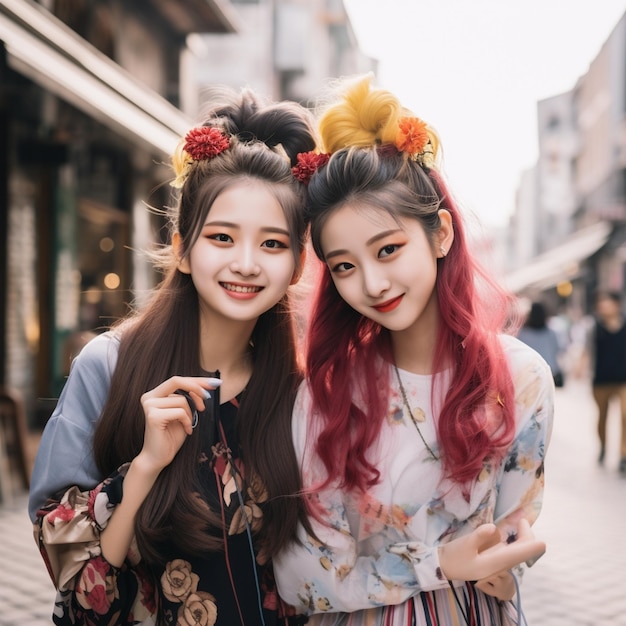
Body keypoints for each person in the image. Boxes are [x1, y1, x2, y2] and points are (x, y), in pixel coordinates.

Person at [28, 87, 317, 625]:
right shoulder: (110, 365)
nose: (248, 264)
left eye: (273, 244)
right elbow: (73, 578)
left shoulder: (299, 392)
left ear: (298, 266)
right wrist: (143, 469)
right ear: (183, 248)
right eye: (223, 237)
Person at [273, 75, 553, 625]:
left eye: (389, 249)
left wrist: (509, 564)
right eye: (345, 266)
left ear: (441, 234)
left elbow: (515, 532)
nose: (373, 283)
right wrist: (439, 563)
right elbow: (299, 576)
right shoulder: (330, 390)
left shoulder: (520, 378)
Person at [590, 290, 626, 470]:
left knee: (625, 415)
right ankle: (603, 446)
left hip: (623, 379)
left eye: (607, 303)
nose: (603, 307)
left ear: (616, 305)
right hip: (601, 379)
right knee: (602, 417)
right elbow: (586, 348)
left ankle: (623, 454)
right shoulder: (594, 326)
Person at [517, 301, 564, 387]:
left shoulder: (522, 334)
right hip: (549, 371)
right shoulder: (551, 333)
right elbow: (558, 349)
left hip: (528, 372)